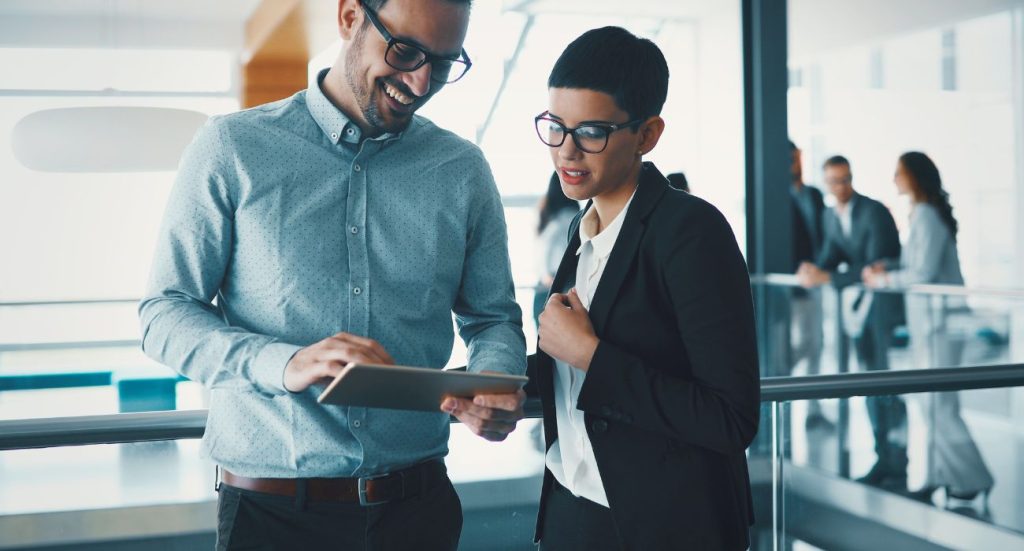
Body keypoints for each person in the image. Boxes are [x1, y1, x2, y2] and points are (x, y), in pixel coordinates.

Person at [138, 1, 527, 549]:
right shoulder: (231, 148)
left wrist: (492, 384)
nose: (419, 82)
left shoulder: (462, 170)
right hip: (272, 515)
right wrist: (287, 363)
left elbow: (493, 321)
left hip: (418, 510)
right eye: (405, 51)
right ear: (349, 18)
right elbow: (164, 314)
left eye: (441, 64)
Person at [532, 27, 760, 550]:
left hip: (662, 527)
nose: (566, 152)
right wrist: (482, 384)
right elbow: (576, 369)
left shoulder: (691, 231)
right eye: (555, 127)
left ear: (647, 134)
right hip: (573, 508)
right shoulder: (582, 226)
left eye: (590, 132)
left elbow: (731, 416)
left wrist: (591, 354)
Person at [863, 152, 994, 507]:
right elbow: (919, 264)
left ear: (914, 177)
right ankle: (942, 477)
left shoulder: (925, 216)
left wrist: (883, 279)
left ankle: (975, 477)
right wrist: (889, 266)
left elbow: (922, 274)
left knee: (940, 406)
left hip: (940, 325)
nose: (893, 179)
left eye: (898, 173)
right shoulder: (923, 215)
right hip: (931, 326)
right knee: (930, 405)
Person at [797, 155, 908, 490]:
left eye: (845, 179)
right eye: (833, 181)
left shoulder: (873, 211)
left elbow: (872, 264)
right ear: (826, 183)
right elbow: (831, 255)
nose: (841, 187)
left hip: (883, 309)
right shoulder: (831, 215)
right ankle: (884, 456)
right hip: (859, 312)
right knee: (869, 380)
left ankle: (895, 458)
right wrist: (811, 269)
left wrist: (826, 275)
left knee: (883, 383)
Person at [787, 141, 828, 429]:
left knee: (817, 345)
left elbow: (824, 236)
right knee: (801, 343)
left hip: (817, 280)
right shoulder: (778, 198)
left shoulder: (813, 195)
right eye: (790, 158)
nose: (796, 163)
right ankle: (776, 382)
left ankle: (813, 411)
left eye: (798, 157)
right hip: (792, 284)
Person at [535, 171, 580, 327]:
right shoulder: (571, 216)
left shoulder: (552, 218)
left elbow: (545, 249)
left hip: (550, 280)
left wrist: (545, 274)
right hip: (557, 280)